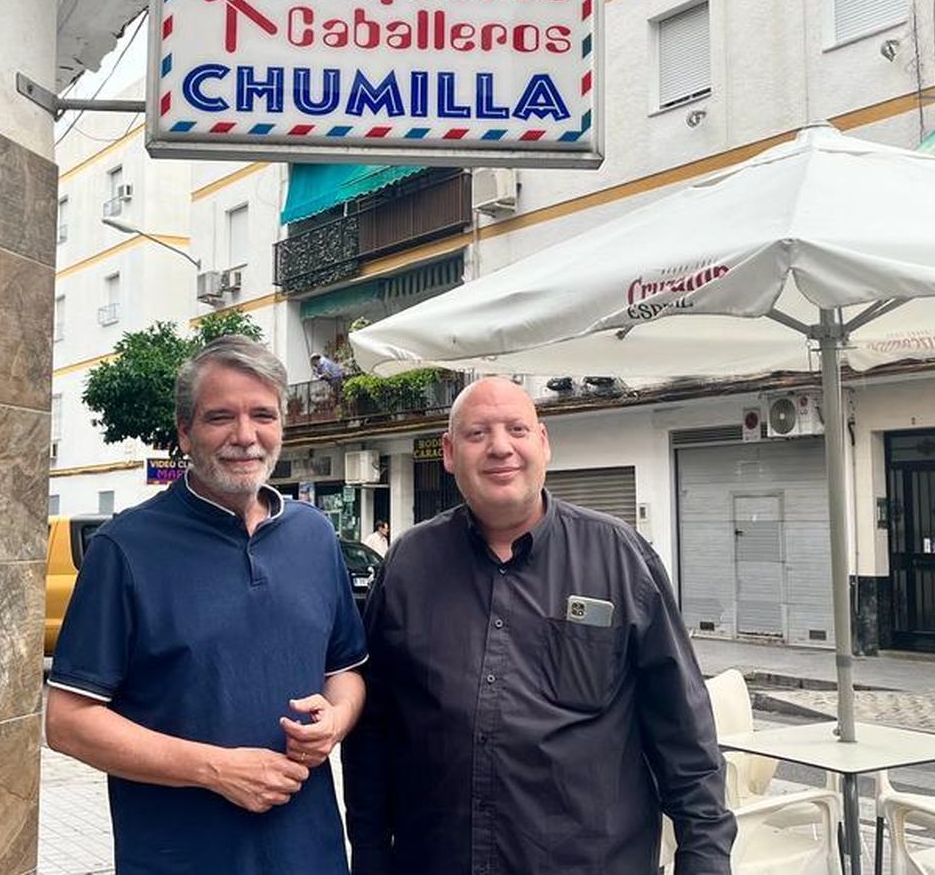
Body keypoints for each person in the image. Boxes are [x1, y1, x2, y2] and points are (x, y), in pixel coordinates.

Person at [344, 377, 734, 875]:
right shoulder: (408, 564)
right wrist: (371, 854)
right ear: (448, 451)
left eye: (517, 429)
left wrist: (704, 859)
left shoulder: (620, 558)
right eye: (477, 433)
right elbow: (373, 728)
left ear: (543, 442)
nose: (500, 447)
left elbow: (685, 735)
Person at [46, 335, 368, 875]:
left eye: (263, 415)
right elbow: (68, 722)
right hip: (180, 858)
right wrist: (216, 769)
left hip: (310, 854)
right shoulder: (126, 548)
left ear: (282, 425)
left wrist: (335, 720)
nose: (245, 436)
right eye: (221, 417)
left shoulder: (314, 536)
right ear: (185, 432)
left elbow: (347, 671)